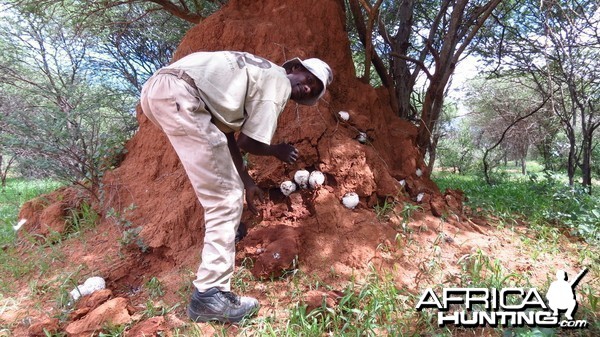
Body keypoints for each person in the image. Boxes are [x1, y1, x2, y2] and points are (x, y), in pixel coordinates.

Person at [140, 51, 332, 323]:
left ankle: (229, 236)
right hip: (181, 94)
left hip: (161, 92)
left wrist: (248, 182)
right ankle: (209, 295)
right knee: (224, 197)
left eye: (314, 88)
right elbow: (248, 143)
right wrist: (277, 150)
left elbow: (226, 136)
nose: (308, 87)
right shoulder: (278, 82)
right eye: (310, 78)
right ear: (296, 68)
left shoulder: (258, 74)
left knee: (225, 187)